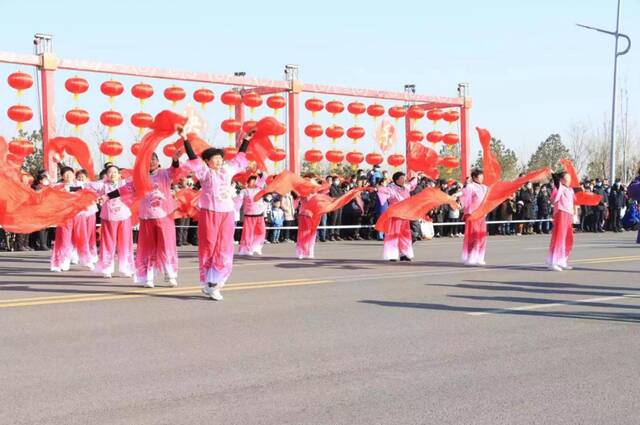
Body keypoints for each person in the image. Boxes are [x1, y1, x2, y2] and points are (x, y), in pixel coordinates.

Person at [181, 130, 251, 301]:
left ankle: (215, 283)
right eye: (215, 159)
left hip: (226, 213)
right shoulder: (205, 173)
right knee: (209, 246)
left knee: (224, 247)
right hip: (209, 213)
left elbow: (239, 158)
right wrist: (184, 139)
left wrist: (246, 140)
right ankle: (207, 280)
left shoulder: (227, 170)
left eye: (220, 158)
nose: (219, 161)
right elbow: (193, 159)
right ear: (207, 161)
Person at [90, 165, 134, 278]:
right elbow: (87, 185)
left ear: (119, 174)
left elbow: (137, 179)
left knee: (125, 243)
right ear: (106, 175)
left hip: (124, 217)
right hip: (109, 218)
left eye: (115, 172)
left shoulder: (124, 183)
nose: (112, 174)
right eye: (109, 172)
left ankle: (126, 268)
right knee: (108, 243)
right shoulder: (102, 185)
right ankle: (107, 268)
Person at [376, 171, 417, 261]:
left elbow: (413, 183)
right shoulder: (391, 188)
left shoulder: (406, 187)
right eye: (401, 178)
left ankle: (404, 254)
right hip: (395, 215)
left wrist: (416, 174)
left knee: (405, 234)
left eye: (404, 178)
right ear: (396, 180)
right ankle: (392, 254)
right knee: (393, 234)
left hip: (404, 215)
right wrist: (376, 188)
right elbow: (381, 190)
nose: (404, 180)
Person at [50, 166, 78, 272]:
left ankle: (77, 255)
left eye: (70, 173)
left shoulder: (80, 185)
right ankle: (63, 261)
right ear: (62, 176)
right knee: (64, 239)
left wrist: (70, 189)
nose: (68, 176)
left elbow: (84, 189)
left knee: (77, 238)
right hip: (64, 216)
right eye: (65, 174)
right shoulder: (58, 186)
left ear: (74, 174)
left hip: (78, 216)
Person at [459, 168, 488, 266]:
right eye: (480, 176)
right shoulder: (470, 186)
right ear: (475, 177)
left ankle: (479, 257)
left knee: (481, 235)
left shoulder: (484, 187)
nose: (482, 178)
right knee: (473, 235)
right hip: (472, 215)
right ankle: (470, 257)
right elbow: (463, 196)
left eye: (482, 176)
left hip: (482, 215)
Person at [547, 171, 575, 271]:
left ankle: (562, 261)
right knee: (559, 237)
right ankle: (553, 262)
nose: (569, 179)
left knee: (567, 238)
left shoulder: (570, 189)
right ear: (562, 179)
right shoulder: (560, 187)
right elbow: (556, 181)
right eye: (567, 177)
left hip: (569, 214)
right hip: (561, 212)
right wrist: (553, 173)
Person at [72, 169, 98, 269]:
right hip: (79, 213)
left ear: (87, 178)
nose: (81, 178)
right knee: (79, 234)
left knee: (90, 234)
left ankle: (92, 254)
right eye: (79, 177)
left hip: (91, 212)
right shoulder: (74, 186)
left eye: (83, 176)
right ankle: (76, 254)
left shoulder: (91, 185)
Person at [238, 174, 267, 256]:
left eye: (255, 180)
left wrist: (260, 173)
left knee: (261, 231)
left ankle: (257, 247)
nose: (254, 182)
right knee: (248, 233)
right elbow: (238, 201)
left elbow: (264, 177)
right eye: (252, 180)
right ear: (248, 182)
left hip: (259, 214)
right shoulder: (244, 191)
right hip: (249, 215)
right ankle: (247, 249)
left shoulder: (260, 189)